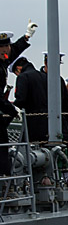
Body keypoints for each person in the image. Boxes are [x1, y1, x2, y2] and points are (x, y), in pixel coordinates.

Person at [14, 53, 68, 158]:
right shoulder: (43, 77)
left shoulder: (57, 80)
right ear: (46, 63)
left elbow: (66, 106)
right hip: (45, 127)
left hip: (46, 127)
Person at [0, 23, 37, 177]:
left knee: (3, 145)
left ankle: (5, 183)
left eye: (7, 47)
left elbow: (13, 51)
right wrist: (12, 109)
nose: (6, 51)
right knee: (2, 146)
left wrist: (27, 36)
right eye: (2, 49)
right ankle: (4, 185)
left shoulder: (3, 61)